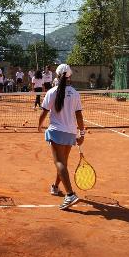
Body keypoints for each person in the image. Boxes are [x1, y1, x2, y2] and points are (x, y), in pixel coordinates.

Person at [38, 64, 85, 210]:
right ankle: (55, 186)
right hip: (70, 133)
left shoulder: (51, 92)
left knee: (59, 163)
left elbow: (44, 112)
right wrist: (81, 134)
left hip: (56, 131)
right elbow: (79, 116)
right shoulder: (75, 93)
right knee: (63, 162)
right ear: (70, 76)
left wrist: (39, 126)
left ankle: (70, 194)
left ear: (57, 75)